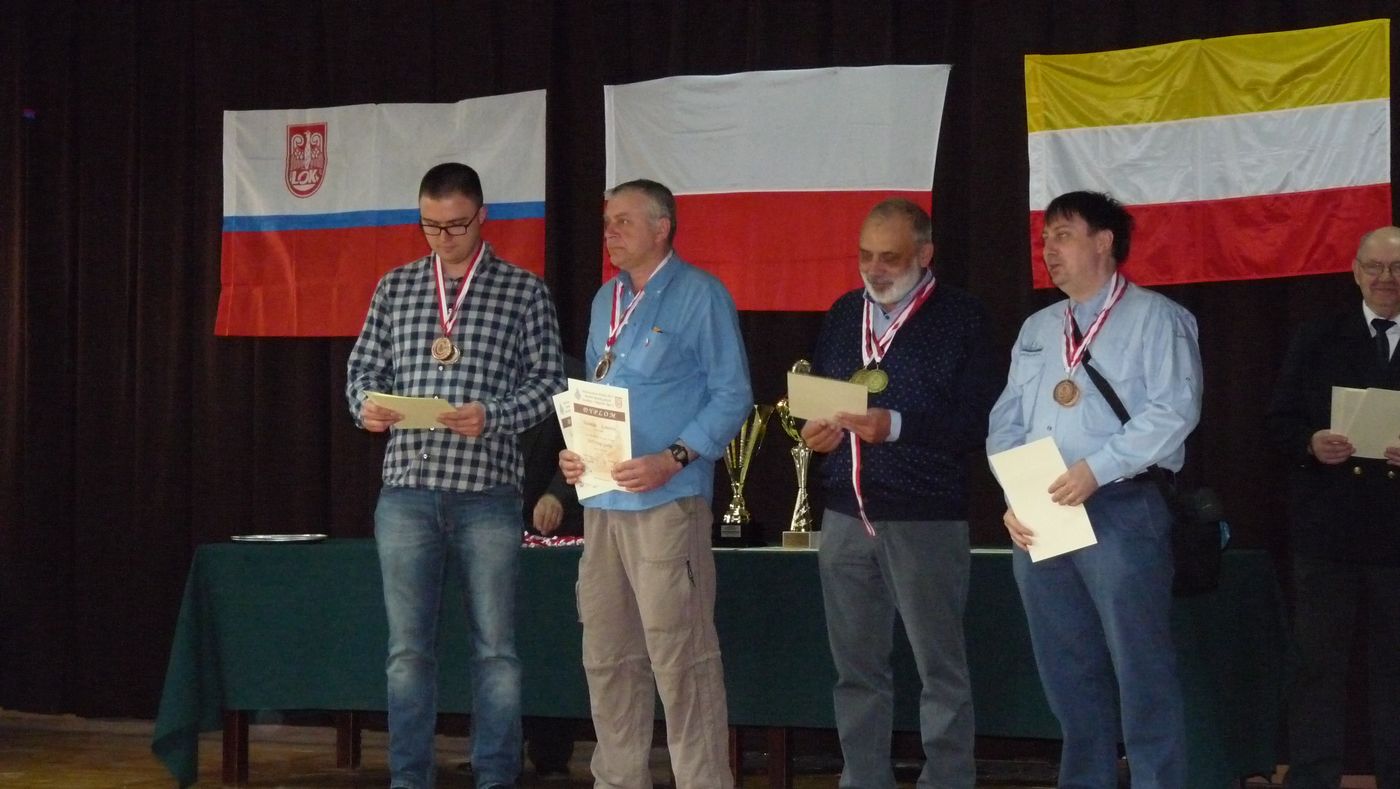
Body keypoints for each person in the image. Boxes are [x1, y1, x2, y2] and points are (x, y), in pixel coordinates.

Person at [346, 162, 566, 789]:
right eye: (430, 226)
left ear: (482, 217)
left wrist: (493, 416)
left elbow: (550, 383)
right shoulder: (395, 287)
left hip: (487, 494)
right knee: (406, 652)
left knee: (495, 651)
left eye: (456, 225)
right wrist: (366, 407)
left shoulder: (523, 291)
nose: (443, 238)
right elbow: (361, 373)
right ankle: (408, 778)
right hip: (406, 494)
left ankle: (495, 776)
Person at [986, 190, 1202, 789]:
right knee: (1066, 668)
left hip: (1122, 505)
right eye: (1045, 238)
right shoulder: (1038, 327)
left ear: (1104, 242)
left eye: (1063, 235)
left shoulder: (1158, 318)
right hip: (1042, 511)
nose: (1048, 250)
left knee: (1140, 668)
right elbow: (1006, 419)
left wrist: (1097, 468)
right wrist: (1015, 491)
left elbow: (1174, 412)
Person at [799, 198, 999, 788]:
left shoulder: (963, 317)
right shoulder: (844, 313)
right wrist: (816, 435)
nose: (874, 269)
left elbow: (979, 420)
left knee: (941, 672)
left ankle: (948, 781)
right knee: (854, 673)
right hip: (844, 515)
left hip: (925, 516)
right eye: (865, 255)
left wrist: (897, 426)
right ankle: (863, 779)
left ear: (925, 254)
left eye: (889, 257)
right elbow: (820, 401)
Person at [558, 178, 751, 789]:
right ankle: (618, 780)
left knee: (681, 659)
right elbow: (597, 395)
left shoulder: (701, 295)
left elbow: (733, 395)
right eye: (607, 221)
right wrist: (576, 453)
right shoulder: (605, 299)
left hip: (667, 503)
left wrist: (673, 457)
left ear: (662, 228)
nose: (610, 232)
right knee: (607, 657)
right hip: (602, 503)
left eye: (624, 221)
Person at [1265, 227, 1400, 789]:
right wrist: (1310, 443)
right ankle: (1312, 778)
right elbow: (1277, 423)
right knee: (1318, 668)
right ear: (1354, 271)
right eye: (1375, 267)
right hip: (1328, 532)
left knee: (1395, 669)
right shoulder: (1318, 337)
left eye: (1397, 268)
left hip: (1397, 536)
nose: (1386, 279)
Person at [518, 355, 585, 782]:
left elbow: (588, 442)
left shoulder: (570, 374)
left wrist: (558, 494)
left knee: (550, 642)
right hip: (486, 523)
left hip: (555, 528)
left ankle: (551, 752)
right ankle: (496, 749)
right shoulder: (478, 367)